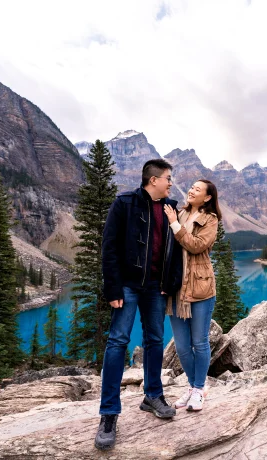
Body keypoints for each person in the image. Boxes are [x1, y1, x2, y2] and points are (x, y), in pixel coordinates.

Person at [94, 159, 183, 450]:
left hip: (156, 289)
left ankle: (153, 396)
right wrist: (113, 287)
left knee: (155, 340)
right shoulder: (125, 203)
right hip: (128, 287)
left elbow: (175, 250)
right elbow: (109, 246)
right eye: (168, 178)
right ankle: (109, 414)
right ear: (153, 179)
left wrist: (170, 284)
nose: (171, 182)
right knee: (117, 342)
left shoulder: (170, 207)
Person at [163, 179, 221, 412]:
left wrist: (175, 225)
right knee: (182, 346)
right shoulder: (179, 213)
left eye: (197, 189)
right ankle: (193, 386)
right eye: (191, 187)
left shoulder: (210, 219)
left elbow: (197, 245)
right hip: (176, 288)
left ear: (207, 197)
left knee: (199, 342)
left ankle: (198, 388)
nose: (191, 190)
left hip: (200, 288)